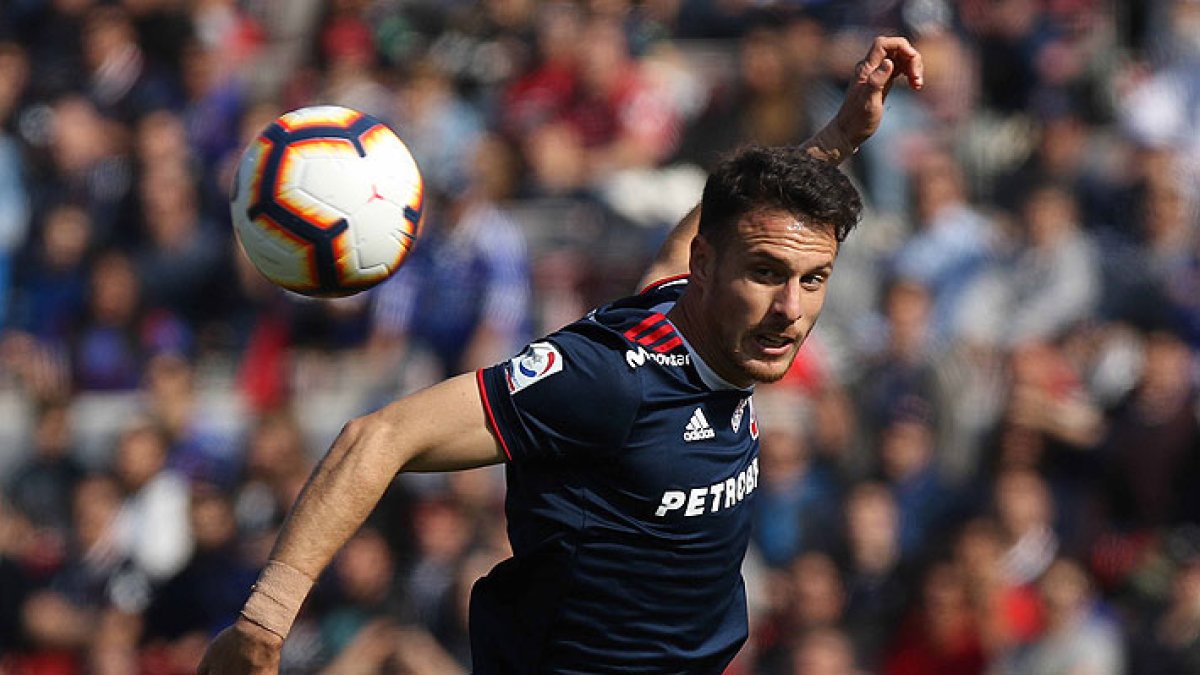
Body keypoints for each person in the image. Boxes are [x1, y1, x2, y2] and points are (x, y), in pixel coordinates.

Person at [199, 36, 924, 674]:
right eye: (766, 274)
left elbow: (712, 229)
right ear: (709, 268)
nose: (791, 310)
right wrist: (264, 623)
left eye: (813, 279)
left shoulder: (690, 309)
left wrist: (838, 136)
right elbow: (377, 436)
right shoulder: (604, 378)